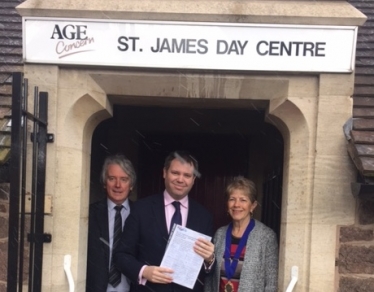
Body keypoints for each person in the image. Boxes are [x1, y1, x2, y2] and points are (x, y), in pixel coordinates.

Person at [115, 150, 215, 292]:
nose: (180, 179)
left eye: (187, 175)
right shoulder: (141, 209)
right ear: (164, 173)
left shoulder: (204, 216)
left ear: (193, 179)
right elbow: (121, 255)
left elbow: (208, 271)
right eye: (175, 173)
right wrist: (144, 271)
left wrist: (210, 260)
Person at [204, 176, 278, 292]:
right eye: (232, 199)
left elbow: (271, 284)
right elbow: (210, 279)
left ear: (252, 206)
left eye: (243, 200)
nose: (236, 205)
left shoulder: (266, 237)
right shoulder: (219, 234)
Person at [86, 154, 136, 292]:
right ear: (104, 183)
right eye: (112, 178)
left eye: (124, 179)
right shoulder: (88, 214)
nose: (118, 185)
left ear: (131, 185)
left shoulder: (142, 214)